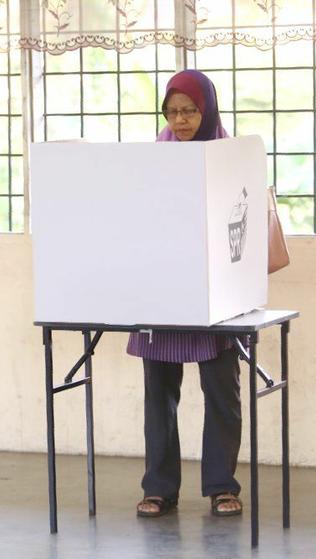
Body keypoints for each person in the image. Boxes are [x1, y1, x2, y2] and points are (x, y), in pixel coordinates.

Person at [130, 69, 243, 518]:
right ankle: (159, 488)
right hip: (164, 290)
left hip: (216, 294)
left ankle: (221, 486)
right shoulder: (158, 153)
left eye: (189, 110)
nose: (180, 120)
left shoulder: (228, 151)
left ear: (207, 108)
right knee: (160, 395)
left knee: (221, 393)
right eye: (172, 112)